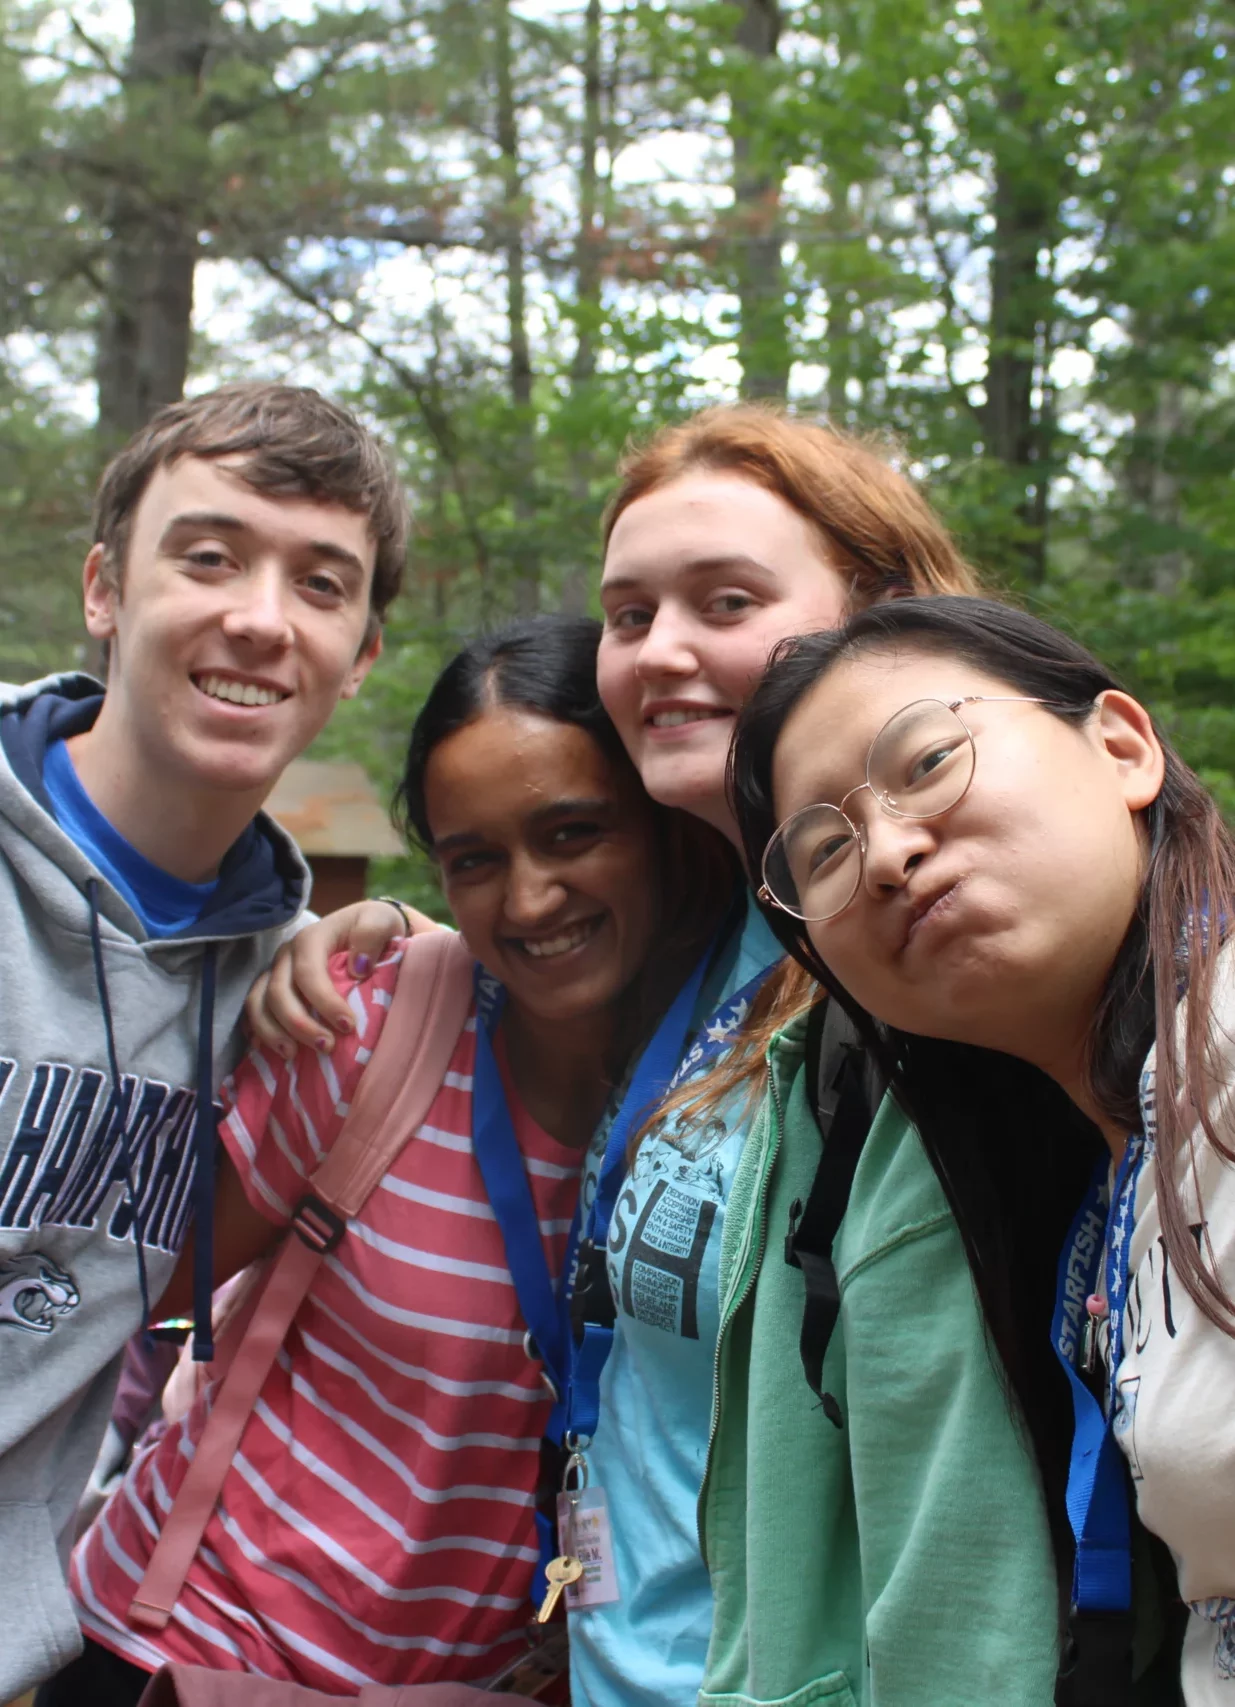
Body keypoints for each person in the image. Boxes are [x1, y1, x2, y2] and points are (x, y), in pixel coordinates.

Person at [247, 406, 1063, 1707]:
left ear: (882, 608)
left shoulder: (921, 971)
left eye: (722, 599)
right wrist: (393, 930)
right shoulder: (723, 925)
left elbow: (957, 1498)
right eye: (627, 615)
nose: (661, 651)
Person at [51, 616, 736, 1702]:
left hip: (476, 1686)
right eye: (474, 859)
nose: (527, 898)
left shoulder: (737, 1098)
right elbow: (117, 1284)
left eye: (571, 833)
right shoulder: (365, 1033)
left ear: (658, 827)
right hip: (190, 1655)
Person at [730, 592, 1230, 1703]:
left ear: (1119, 746)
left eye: (922, 762)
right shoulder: (1104, 1174)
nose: (888, 855)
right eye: (823, 849)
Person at [0, 381, 404, 1704]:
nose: (258, 616)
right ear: (105, 588)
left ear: (360, 650)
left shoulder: (294, 995)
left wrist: (373, 929)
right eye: (210, 555)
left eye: (320, 581)